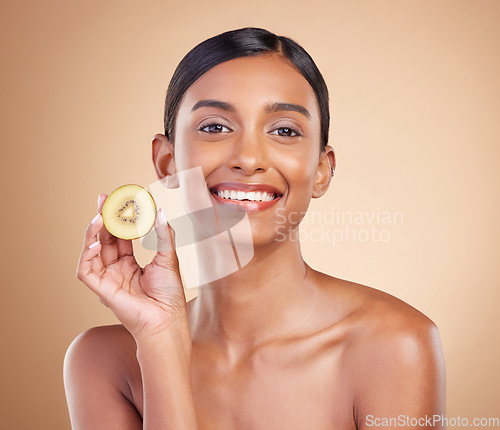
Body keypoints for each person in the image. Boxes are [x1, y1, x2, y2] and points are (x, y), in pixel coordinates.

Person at [64, 27, 446, 430]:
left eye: (284, 131)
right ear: (167, 164)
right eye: (215, 127)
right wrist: (160, 340)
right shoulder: (104, 360)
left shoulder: (394, 346)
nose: (248, 159)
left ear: (321, 171)